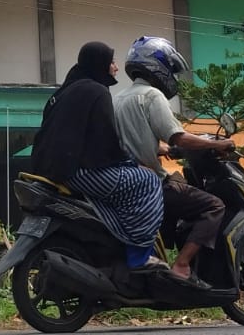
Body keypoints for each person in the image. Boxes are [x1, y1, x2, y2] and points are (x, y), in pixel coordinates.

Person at [30, 41, 167, 270]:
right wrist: (132, 163)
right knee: (148, 181)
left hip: (53, 170)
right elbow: (106, 139)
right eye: (111, 62)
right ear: (100, 63)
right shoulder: (97, 91)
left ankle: (115, 243)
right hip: (80, 172)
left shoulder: (64, 91)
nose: (115, 67)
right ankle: (139, 256)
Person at [114, 36, 237, 285]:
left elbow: (129, 139)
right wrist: (217, 144)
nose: (172, 75)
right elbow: (179, 137)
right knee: (214, 206)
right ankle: (181, 265)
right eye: (171, 69)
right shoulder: (151, 96)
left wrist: (158, 149)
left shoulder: (118, 98)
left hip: (124, 179)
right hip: (149, 183)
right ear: (157, 66)